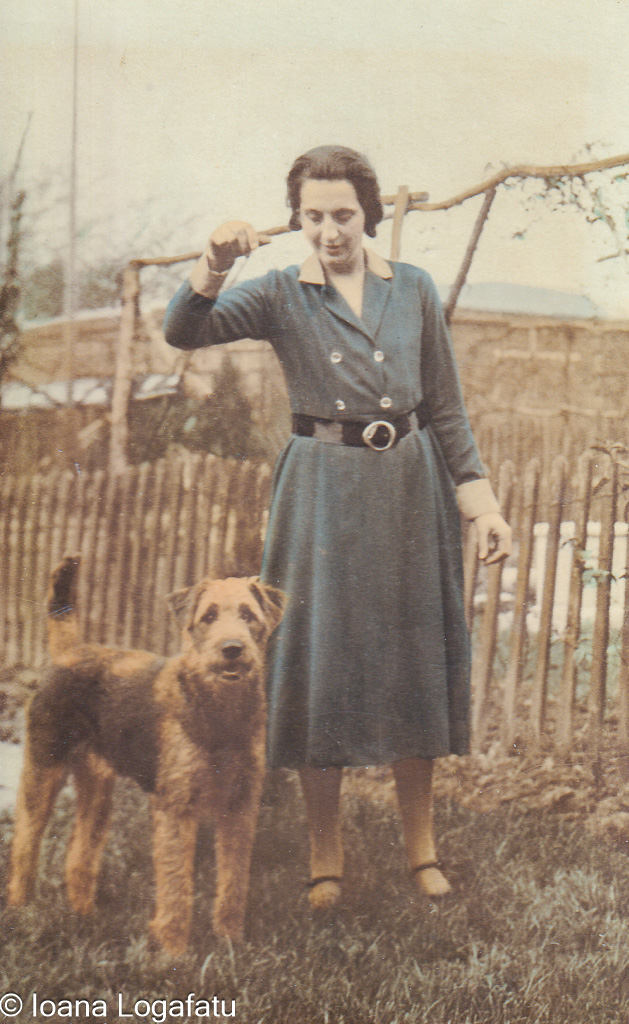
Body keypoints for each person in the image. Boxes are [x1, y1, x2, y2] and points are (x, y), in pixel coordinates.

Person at [163, 144, 511, 908]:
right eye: (313, 215)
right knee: (318, 663)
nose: (329, 230)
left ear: (369, 214)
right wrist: (213, 263)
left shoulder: (412, 288)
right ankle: (327, 855)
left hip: (411, 489)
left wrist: (479, 504)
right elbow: (184, 332)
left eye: (343, 214)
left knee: (413, 660)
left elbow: (445, 405)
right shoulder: (280, 292)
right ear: (297, 219)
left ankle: (421, 848)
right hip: (318, 490)